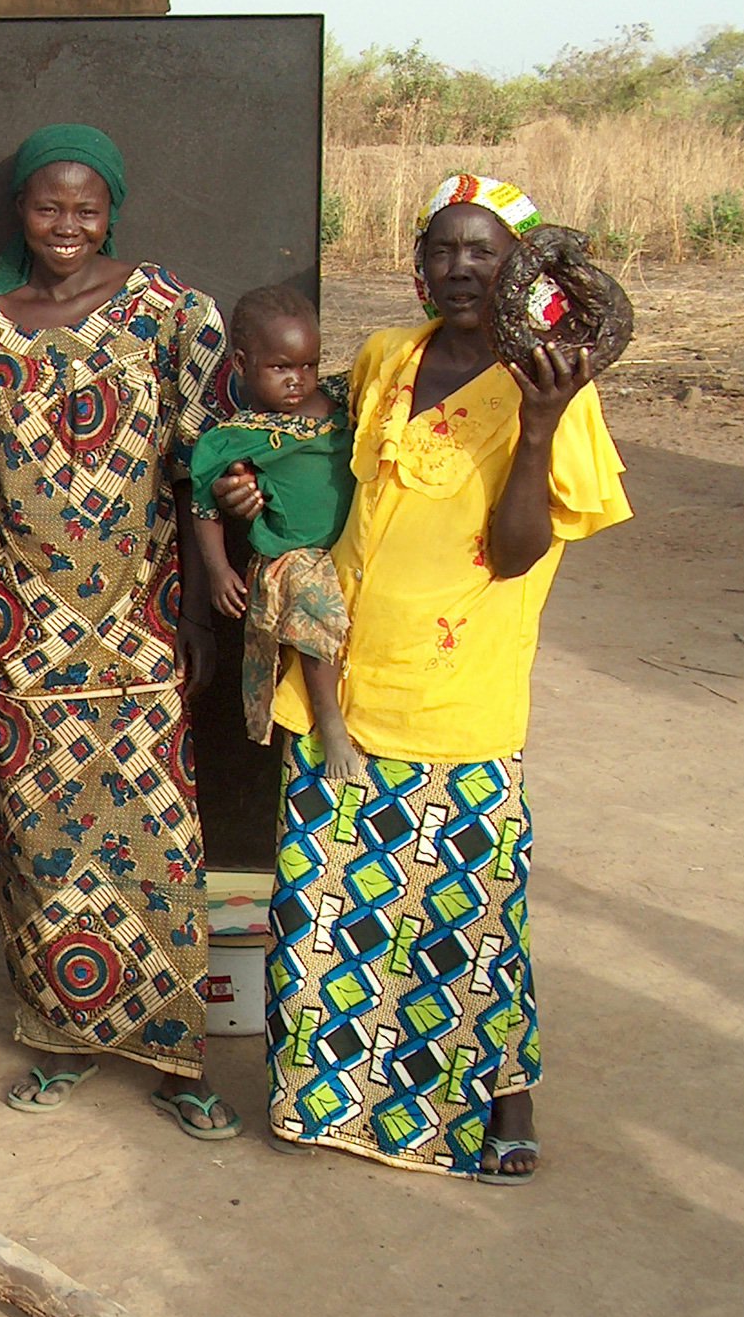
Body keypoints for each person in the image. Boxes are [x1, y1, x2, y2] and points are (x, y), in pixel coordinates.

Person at [218, 173, 630, 1182]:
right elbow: (331, 469)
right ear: (415, 270)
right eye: (442, 250)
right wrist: (249, 487)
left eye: (482, 251)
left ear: (522, 272)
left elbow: (525, 550)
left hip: (461, 689)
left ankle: (505, 1096)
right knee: (324, 908)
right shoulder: (385, 359)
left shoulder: (555, 383)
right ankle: (328, 1103)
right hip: (345, 681)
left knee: (471, 909)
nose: (459, 268)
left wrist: (535, 428)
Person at [0, 123, 240, 1139]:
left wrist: (205, 609)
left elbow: (204, 466)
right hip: (21, 625)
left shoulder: (173, 313)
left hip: (141, 622)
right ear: (22, 214)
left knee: (159, 848)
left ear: (111, 208)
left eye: (85, 207)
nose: (66, 225)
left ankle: (175, 1058)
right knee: (38, 844)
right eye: (46, 207)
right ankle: (63, 1036)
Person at [188, 284, 364, 782]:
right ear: (242, 364)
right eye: (281, 367)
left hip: (353, 544)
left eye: (308, 365)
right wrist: (220, 569)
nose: (297, 380)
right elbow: (204, 506)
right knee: (312, 600)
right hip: (296, 555)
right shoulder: (234, 438)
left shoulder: (338, 402)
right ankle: (329, 721)